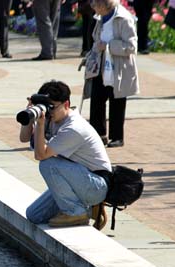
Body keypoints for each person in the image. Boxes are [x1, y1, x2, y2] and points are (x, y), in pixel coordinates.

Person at [20, 80, 112, 228]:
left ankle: (76, 212)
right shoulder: (53, 118)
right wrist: (31, 116)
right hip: (79, 179)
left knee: (48, 164)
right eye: (45, 106)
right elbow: (24, 138)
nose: (48, 112)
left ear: (66, 104)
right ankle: (90, 209)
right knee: (34, 215)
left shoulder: (73, 127)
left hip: (97, 186)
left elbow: (41, 155)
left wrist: (41, 124)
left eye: (52, 107)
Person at [88, 0, 139, 148]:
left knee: (117, 101)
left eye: (96, 4)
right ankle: (98, 135)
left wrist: (109, 46)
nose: (93, 6)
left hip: (119, 66)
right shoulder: (100, 17)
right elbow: (96, 38)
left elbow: (131, 46)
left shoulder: (124, 18)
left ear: (105, 5)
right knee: (97, 98)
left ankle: (117, 137)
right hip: (101, 63)